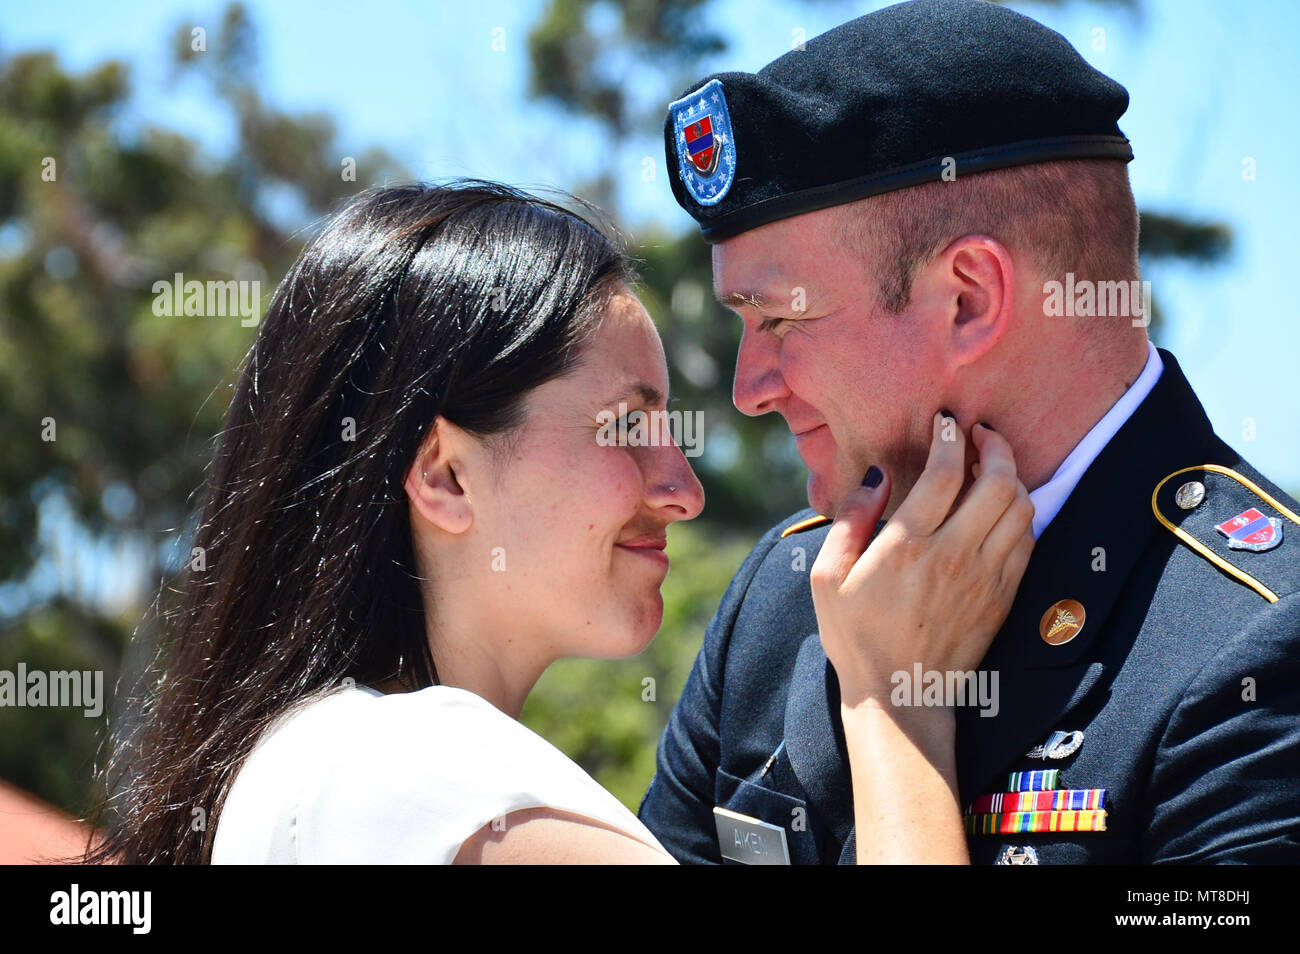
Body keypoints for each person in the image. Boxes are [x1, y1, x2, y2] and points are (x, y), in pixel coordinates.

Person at [80, 179, 1033, 864]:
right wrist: (894, 710)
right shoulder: (439, 785)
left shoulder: (316, 762)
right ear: (446, 475)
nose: (683, 489)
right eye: (628, 426)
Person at [639, 0, 1300, 864]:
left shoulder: (1259, 650)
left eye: (779, 322)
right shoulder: (777, 599)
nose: (749, 390)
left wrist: (890, 712)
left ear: (968, 299)